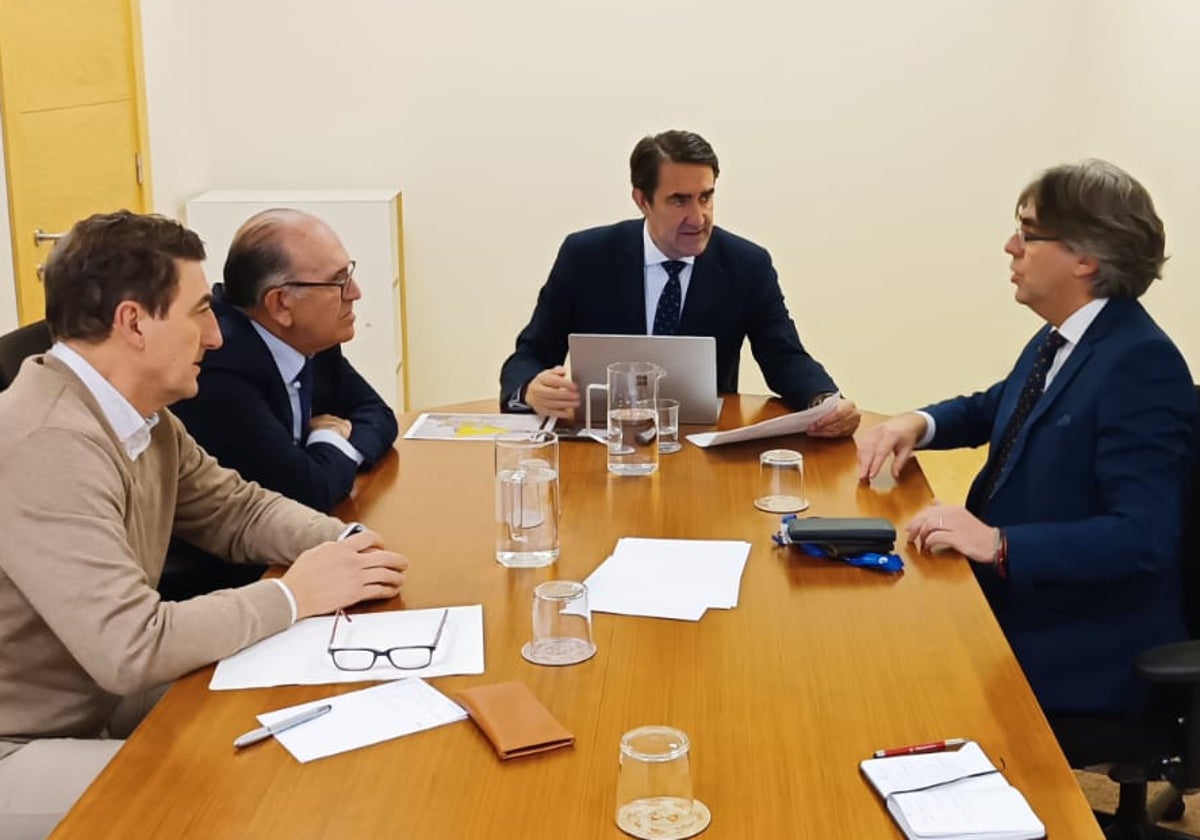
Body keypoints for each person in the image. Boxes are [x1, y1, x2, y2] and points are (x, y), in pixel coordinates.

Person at [0, 211, 409, 839]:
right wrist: (296, 594)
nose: (216, 337)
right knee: (239, 796)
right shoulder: (44, 441)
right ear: (133, 322)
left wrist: (347, 546)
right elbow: (132, 646)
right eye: (198, 312)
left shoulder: (142, 415)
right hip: (23, 743)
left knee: (303, 716)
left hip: (97, 702)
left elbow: (236, 509)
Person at [857, 160, 1197, 759]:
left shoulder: (1141, 365)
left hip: (1084, 641)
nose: (1010, 246)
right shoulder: (1069, 336)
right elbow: (1006, 404)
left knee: (889, 689)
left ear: (1085, 259)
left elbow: (1144, 536)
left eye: (1029, 233)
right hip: (1023, 596)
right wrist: (922, 421)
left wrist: (998, 543)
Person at [498, 129, 860, 437]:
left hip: (701, 445)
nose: (698, 217)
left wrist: (824, 401)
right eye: (679, 201)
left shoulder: (747, 264)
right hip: (605, 447)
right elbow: (529, 354)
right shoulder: (586, 256)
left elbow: (784, 356)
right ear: (642, 200)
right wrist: (530, 388)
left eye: (706, 197)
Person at [167, 209, 398, 597]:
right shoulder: (219, 366)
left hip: (298, 549)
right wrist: (330, 440)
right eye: (338, 281)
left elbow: (379, 416)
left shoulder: (312, 337)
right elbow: (306, 492)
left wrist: (326, 454)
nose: (355, 292)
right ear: (280, 305)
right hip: (230, 582)